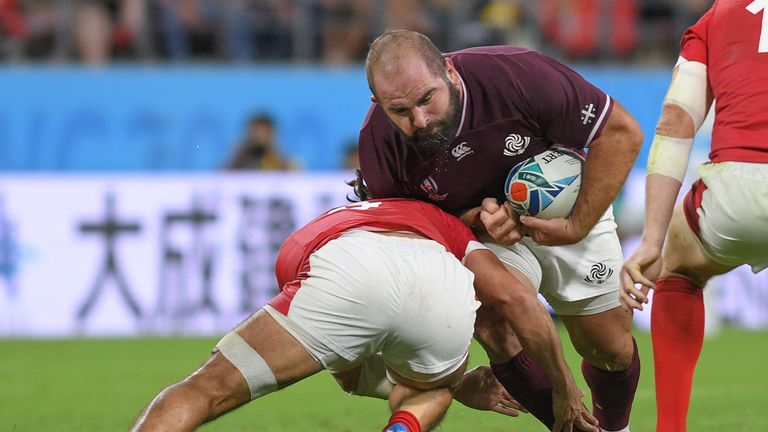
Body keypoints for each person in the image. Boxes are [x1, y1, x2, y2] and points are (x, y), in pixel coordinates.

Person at [359, 30, 643, 432]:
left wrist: (577, 224)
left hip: (567, 211)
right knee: (493, 322)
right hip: (480, 239)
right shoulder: (379, 146)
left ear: (450, 72)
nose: (419, 120)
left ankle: (617, 429)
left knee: (610, 348)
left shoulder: (517, 74)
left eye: (427, 99)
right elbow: (408, 235)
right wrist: (471, 219)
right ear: (379, 104)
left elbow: (621, 132)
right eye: (400, 111)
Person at [131, 196, 584, 431]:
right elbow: (517, 300)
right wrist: (563, 386)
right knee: (435, 390)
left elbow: (345, 367)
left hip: (343, 266)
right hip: (437, 274)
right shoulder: (443, 222)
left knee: (204, 390)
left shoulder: (323, 225)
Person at [619, 2, 768, 431]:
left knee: (678, 267)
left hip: (735, 196)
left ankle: (671, 428)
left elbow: (676, 122)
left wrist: (650, 241)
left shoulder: (714, 19)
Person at [225, 113, 292, 170]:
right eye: (256, 131)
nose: (260, 135)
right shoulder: (236, 162)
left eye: (264, 131)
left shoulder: (285, 163)